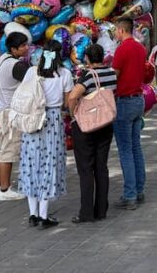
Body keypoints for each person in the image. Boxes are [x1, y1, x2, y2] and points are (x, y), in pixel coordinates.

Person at [19, 39, 74, 227]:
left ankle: (32, 213)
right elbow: (67, 103)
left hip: (33, 119)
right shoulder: (65, 74)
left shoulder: (32, 72)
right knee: (49, 165)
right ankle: (43, 215)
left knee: (31, 163)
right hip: (53, 119)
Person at [67, 43, 118, 223]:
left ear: (87, 58)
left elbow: (73, 96)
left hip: (87, 126)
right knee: (101, 166)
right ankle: (101, 209)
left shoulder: (88, 76)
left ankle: (86, 212)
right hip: (106, 124)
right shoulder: (112, 73)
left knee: (86, 168)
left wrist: (72, 113)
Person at [0, 32, 30, 202]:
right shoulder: (16, 65)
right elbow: (32, 80)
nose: (27, 48)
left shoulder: (3, 59)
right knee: (9, 152)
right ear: (13, 49)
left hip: (2, 109)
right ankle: (5, 189)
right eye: (23, 46)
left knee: (1, 149)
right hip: (10, 112)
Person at [111, 17, 148, 209]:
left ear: (120, 30)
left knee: (125, 149)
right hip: (138, 99)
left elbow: (114, 75)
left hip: (124, 101)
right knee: (135, 147)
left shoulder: (122, 49)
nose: (115, 34)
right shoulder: (140, 48)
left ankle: (130, 195)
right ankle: (139, 190)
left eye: (116, 31)